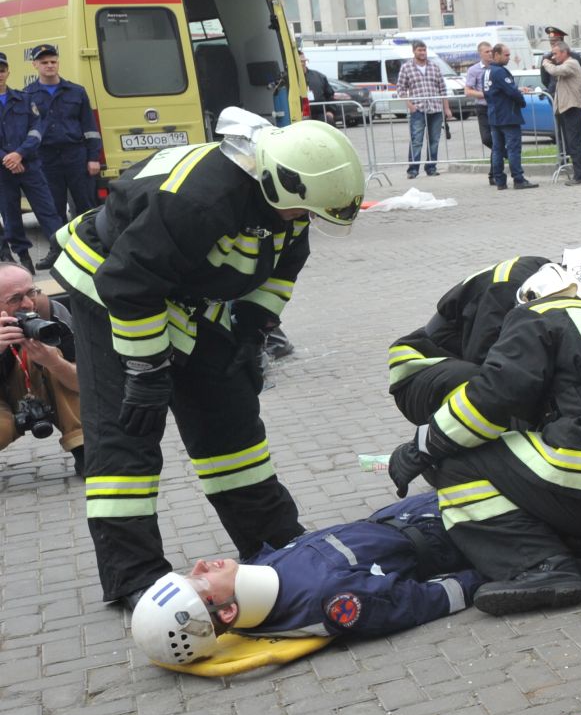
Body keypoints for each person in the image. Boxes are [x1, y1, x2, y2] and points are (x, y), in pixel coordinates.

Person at [50, 113, 365, 607]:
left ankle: (273, 538)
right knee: (127, 431)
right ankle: (134, 576)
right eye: (302, 212)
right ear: (275, 185)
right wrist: (148, 372)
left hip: (186, 297)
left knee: (229, 414)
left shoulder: (290, 202)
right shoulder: (201, 200)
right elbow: (129, 286)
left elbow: (283, 270)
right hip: (110, 290)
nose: (305, 220)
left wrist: (250, 332)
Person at [387, 246, 581, 615]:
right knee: (548, 441)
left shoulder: (537, 315)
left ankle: (538, 567)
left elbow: (491, 399)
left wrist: (423, 448)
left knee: (458, 462)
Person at [128, 493, 483, 665]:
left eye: (193, 573)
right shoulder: (333, 600)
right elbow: (424, 600)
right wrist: (488, 573)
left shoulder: (260, 577)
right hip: (453, 529)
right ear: (226, 615)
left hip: (404, 515)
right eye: (200, 582)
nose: (202, 565)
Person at [387, 254, 553, 425]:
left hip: (453, 363)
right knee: (493, 392)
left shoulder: (547, 276)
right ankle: (433, 447)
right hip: (418, 367)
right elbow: (488, 363)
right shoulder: (505, 291)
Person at [0, 261, 82, 474]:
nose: (28, 304)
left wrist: (53, 362)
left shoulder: (50, 313)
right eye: (15, 299)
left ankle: (85, 446)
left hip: (38, 385)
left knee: (58, 360)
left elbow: (85, 384)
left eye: (31, 292)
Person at [22, 43, 104, 236]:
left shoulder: (76, 92)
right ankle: (58, 251)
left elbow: (90, 128)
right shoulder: (27, 95)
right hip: (46, 158)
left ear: (58, 63)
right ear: (35, 65)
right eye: (44, 62)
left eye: (53, 61)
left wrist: (93, 158)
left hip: (76, 156)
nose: (49, 65)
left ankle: (92, 245)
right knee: (52, 208)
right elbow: (24, 131)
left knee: (86, 206)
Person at [0, 52, 64, 271]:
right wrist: (7, 158)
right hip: (3, 171)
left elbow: (37, 130)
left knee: (47, 210)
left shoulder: (24, 99)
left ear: (8, 72)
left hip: (29, 165)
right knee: (11, 215)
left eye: (2, 70)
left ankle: (59, 251)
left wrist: (19, 154)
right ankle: (23, 256)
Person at [540, 26, 581, 186]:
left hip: (571, 106)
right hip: (563, 106)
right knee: (568, 141)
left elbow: (554, 71)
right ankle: (577, 171)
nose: (553, 56)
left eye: (556, 53)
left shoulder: (572, 62)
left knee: (574, 142)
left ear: (564, 51)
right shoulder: (564, 63)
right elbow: (549, 80)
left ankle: (580, 175)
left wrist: (546, 62)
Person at [395, 39, 451, 179]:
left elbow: (442, 88)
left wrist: (447, 108)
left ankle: (431, 167)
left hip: (435, 108)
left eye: (424, 50)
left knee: (434, 140)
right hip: (418, 109)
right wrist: (410, 105)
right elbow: (401, 88)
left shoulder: (434, 66)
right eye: (419, 50)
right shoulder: (406, 67)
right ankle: (413, 169)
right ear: (414, 51)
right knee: (417, 140)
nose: (422, 53)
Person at [485, 45, 536, 191]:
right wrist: (521, 101)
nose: (509, 58)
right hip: (507, 115)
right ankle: (518, 179)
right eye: (506, 55)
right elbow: (511, 91)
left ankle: (500, 180)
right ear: (496, 55)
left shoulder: (488, 71)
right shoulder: (500, 71)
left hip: (494, 115)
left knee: (497, 150)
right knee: (513, 149)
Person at [462, 43, 494, 153]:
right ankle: (505, 153)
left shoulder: (497, 67)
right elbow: (468, 91)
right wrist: (485, 94)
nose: (490, 53)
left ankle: (494, 169)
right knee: (486, 138)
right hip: (483, 107)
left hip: (497, 106)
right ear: (480, 54)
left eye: (491, 51)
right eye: (487, 52)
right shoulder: (474, 70)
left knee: (498, 138)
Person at [299, 46, 341, 126]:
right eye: (300, 61)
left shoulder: (319, 77)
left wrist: (330, 112)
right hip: (300, 117)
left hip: (320, 115)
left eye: (303, 61)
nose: (302, 63)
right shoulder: (291, 79)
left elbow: (330, 95)